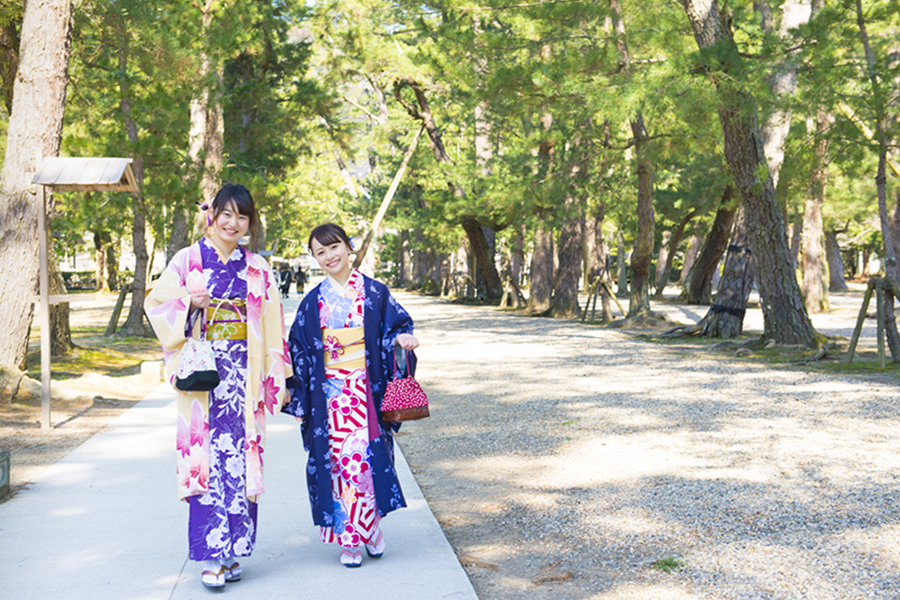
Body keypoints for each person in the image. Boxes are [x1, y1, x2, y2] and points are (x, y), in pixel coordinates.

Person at [145, 184, 292, 589]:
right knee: (206, 462)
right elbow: (155, 302)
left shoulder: (258, 267)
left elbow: (273, 324)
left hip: (247, 371)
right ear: (212, 215)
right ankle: (210, 554)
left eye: (242, 217)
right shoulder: (188, 259)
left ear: (250, 223)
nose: (233, 223)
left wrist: (278, 376)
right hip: (204, 377)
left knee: (243, 463)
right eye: (226, 214)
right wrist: (189, 303)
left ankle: (234, 550)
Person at [282, 223, 419, 568]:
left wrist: (400, 341)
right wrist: (298, 397)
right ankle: (349, 538)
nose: (329, 256)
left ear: (349, 247)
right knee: (338, 465)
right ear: (314, 258)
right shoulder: (313, 302)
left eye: (334, 247)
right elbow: (297, 349)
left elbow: (397, 326)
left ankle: (370, 527)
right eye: (320, 252)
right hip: (328, 397)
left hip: (365, 392)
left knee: (364, 463)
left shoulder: (374, 292)